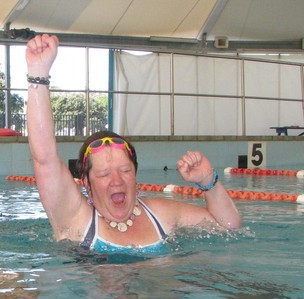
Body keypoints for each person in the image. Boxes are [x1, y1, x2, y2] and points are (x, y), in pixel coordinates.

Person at [25, 34, 241, 253]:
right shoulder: (75, 219)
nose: (116, 181)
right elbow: (45, 158)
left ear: (135, 175)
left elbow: (227, 227)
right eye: (103, 174)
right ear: (87, 184)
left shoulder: (160, 214)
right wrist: (38, 74)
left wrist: (208, 181)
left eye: (125, 170)